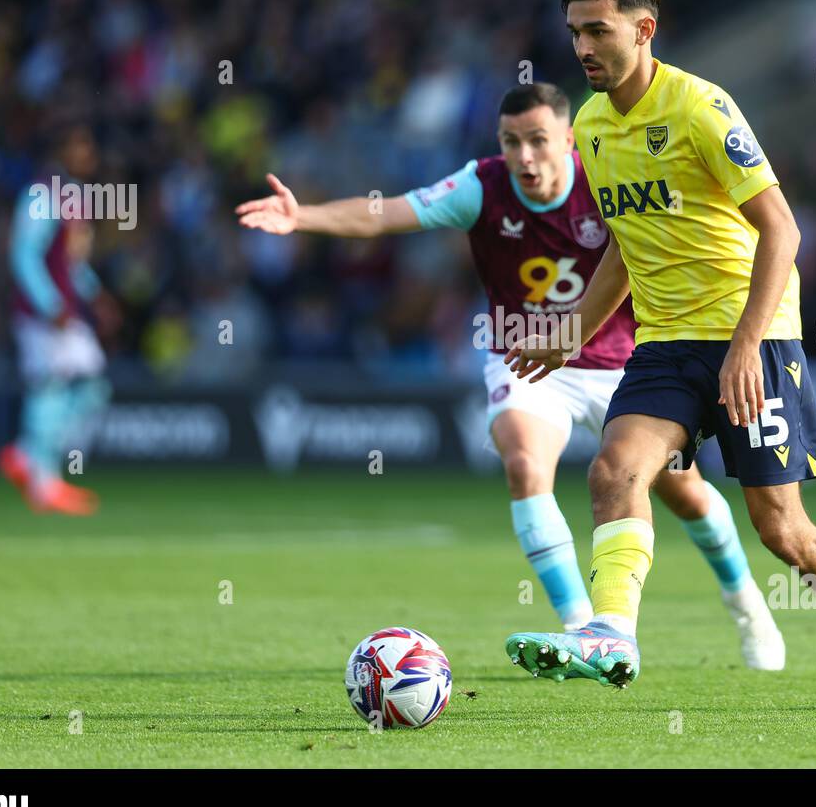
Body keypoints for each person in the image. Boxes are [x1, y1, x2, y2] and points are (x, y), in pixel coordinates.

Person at [236, 82, 785, 669]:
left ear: (567, 140)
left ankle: (745, 601)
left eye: (538, 141)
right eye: (511, 142)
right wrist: (305, 217)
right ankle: (581, 629)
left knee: (686, 494)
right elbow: (387, 212)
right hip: (527, 361)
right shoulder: (483, 185)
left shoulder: (606, 176)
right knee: (525, 464)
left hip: (622, 362)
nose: (524, 157)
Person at [504, 0, 816, 710]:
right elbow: (626, 246)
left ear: (643, 29)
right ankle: (612, 637)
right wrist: (573, 332)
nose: (583, 48)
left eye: (598, 30)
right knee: (613, 471)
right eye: (575, 33)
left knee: (781, 530)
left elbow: (782, 230)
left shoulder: (700, 108)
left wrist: (748, 346)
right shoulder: (591, 125)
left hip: (751, 339)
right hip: (663, 344)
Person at [0, 125, 112, 516]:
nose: (89, 152)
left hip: (65, 312)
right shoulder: (40, 194)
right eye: (81, 144)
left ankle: (29, 458)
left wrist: (94, 295)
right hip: (43, 315)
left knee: (92, 386)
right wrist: (50, 304)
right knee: (50, 385)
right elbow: (24, 255)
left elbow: (69, 262)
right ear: (62, 150)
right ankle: (42, 480)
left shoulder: (72, 196)